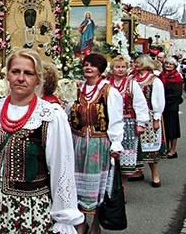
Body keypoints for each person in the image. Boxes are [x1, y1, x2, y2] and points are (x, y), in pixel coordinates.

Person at [0, 48, 84, 233]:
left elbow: (61, 170)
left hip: (30, 212)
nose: (21, 78)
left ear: (37, 79)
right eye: (15, 71)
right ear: (7, 75)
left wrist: (64, 217)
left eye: (28, 73)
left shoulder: (49, 116)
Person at [70, 53, 124, 234]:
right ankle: (80, 223)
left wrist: (116, 144)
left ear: (100, 69)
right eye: (86, 65)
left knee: (97, 187)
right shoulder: (77, 89)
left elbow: (116, 120)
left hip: (99, 144)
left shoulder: (109, 91)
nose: (88, 68)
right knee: (76, 186)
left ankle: (95, 225)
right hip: (77, 142)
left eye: (92, 65)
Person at [108, 55, 149, 184]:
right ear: (112, 69)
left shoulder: (132, 84)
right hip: (109, 123)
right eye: (117, 67)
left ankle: (123, 188)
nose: (120, 70)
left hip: (128, 123)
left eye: (123, 67)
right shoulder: (107, 84)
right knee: (111, 155)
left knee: (126, 157)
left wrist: (141, 123)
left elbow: (140, 104)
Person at [129, 54, 166, 186]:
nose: (135, 64)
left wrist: (157, 118)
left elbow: (159, 100)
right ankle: (138, 170)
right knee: (136, 145)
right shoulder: (132, 78)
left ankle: (155, 174)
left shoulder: (154, 80)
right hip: (135, 115)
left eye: (138, 62)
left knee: (150, 146)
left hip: (150, 116)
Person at [159, 57, 182, 159]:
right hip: (162, 106)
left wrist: (166, 101)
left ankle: (173, 150)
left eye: (170, 64)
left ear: (174, 66)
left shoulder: (177, 77)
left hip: (172, 106)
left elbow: (177, 94)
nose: (168, 66)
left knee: (173, 129)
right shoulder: (161, 75)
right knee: (164, 128)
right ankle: (165, 148)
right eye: (166, 64)